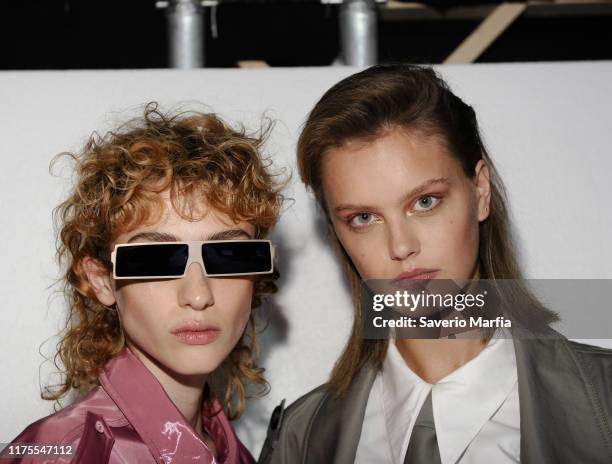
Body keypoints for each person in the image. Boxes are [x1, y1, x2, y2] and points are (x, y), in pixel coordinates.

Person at [259, 64, 612, 463]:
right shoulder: (300, 440)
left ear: (479, 191)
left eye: (424, 202)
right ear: (336, 231)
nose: (401, 245)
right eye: (363, 217)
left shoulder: (605, 405)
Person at [4, 103, 283, 464]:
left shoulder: (229, 449)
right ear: (101, 280)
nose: (198, 295)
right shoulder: (62, 454)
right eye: (155, 259)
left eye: (229, 255)